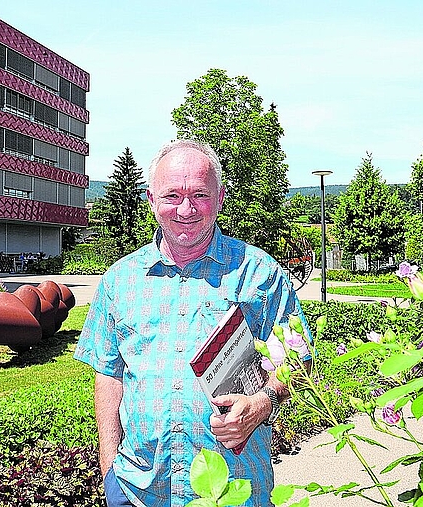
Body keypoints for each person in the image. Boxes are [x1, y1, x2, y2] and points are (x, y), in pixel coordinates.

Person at [73, 139, 313, 507]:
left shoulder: (259, 273)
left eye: (200, 194)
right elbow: (108, 374)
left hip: (234, 488)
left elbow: (298, 360)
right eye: (172, 196)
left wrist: (263, 403)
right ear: (152, 201)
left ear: (219, 199)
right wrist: (109, 472)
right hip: (138, 490)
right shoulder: (119, 280)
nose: (186, 208)